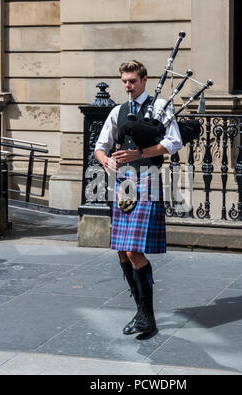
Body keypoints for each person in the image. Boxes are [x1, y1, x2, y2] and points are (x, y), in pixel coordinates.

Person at [95, 60, 182, 336]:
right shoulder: (117, 111)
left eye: (132, 81)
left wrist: (139, 154)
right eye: (124, 81)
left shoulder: (159, 106)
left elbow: (173, 142)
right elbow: (100, 146)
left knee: (133, 250)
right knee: (122, 249)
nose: (128, 86)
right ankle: (142, 314)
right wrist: (106, 161)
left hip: (148, 180)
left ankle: (147, 317)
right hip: (123, 184)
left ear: (144, 80)